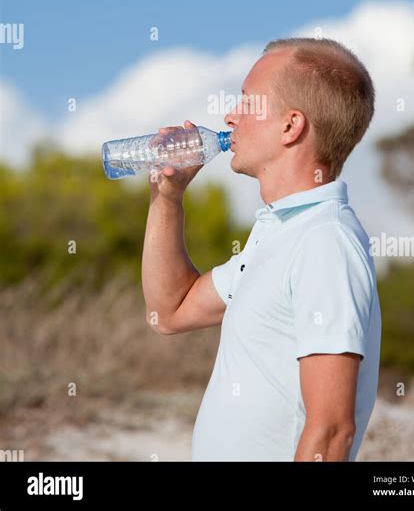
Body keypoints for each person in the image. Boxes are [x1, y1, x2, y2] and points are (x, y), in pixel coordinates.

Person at [141, 37, 381, 462]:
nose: (230, 116)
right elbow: (170, 311)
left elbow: (331, 431)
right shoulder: (280, 233)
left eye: (247, 103)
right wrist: (167, 197)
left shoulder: (324, 241)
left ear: (291, 126)